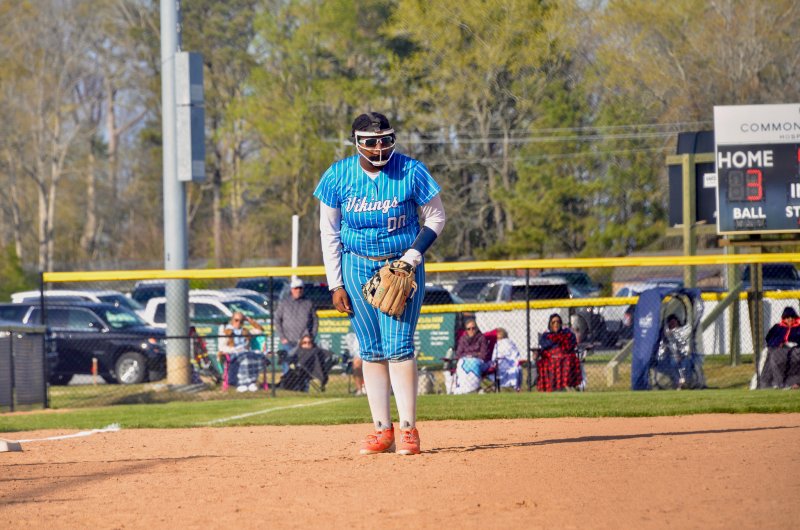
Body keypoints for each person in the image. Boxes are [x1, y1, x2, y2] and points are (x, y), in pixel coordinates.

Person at [314, 111, 446, 455]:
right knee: (370, 350)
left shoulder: (411, 170)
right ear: (357, 142)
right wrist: (335, 284)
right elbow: (329, 232)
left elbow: (436, 217)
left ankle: (408, 429)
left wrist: (412, 256)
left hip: (401, 266)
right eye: (371, 142)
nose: (379, 147)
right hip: (356, 265)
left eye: (386, 140)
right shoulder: (337, 175)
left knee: (399, 346)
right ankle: (382, 430)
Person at [274, 277, 318, 371]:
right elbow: (277, 320)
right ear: (291, 289)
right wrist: (282, 337)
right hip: (288, 340)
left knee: (303, 366)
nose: (298, 290)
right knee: (288, 364)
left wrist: (312, 336)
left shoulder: (308, 303)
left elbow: (315, 321)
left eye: (300, 288)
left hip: (304, 341)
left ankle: (303, 380)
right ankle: (287, 379)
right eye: (296, 288)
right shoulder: (284, 303)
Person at [219, 311, 265, 392]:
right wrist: (234, 349)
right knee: (245, 358)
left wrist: (250, 321)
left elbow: (260, 330)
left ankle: (251, 382)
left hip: (245, 352)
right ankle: (242, 383)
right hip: (233, 354)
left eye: (241, 321)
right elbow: (221, 347)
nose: (238, 323)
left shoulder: (245, 331)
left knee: (257, 356)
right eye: (236, 320)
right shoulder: (226, 331)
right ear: (232, 320)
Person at [537, 313, 581, 392]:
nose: (556, 324)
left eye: (558, 322)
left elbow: (572, 343)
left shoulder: (567, 333)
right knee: (550, 362)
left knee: (567, 360)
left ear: (560, 323)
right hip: (551, 357)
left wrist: (559, 340)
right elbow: (544, 345)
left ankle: (567, 384)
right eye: (553, 322)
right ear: (550, 324)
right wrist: (556, 341)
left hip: (564, 356)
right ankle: (552, 387)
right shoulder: (546, 335)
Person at [761, 306, 800, 389]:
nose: (790, 319)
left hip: (794, 350)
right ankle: (770, 383)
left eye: (792, 317)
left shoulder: (798, 327)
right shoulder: (777, 327)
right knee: (773, 357)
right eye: (787, 317)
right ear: (784, 318)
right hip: (779, 349)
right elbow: (769, 339)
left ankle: (792, 382)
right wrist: (779, 343)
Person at [450, 319, 490, 394]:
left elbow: (483, 355)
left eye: (473, 328)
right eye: (468, 329)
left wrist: (468, 354)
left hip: (478, 361)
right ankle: (464, 388)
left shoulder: (482, 338)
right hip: (465, 361)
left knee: (473, 363)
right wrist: (475, 354)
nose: (471, 330)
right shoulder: (463, 339)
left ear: (476, 328)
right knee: (461, 363)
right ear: (466, 330)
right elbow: (458, 354)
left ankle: (474, 388)